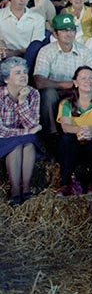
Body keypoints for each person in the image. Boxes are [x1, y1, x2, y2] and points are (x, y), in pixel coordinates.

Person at [34, 13, 92, 140]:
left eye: (72, 30)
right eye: (64, 30)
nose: (69, 34)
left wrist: (78, 86)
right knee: (48, 94)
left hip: (78, 91)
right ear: (55, 33)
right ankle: (52, 136)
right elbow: (39, 82)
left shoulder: (84, 51)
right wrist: (67, 84)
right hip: (57, 92)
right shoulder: (46, 51)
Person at [56, 65, 92, 196]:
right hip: (75, 138)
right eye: (83, 78)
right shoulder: (66, 103)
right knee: (66, 139)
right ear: (75, 82)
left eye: (91, 78)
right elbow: (65, 126)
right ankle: (65, 183)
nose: (88, 81)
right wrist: (81, 131)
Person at [0, 57, 41, 206]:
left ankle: (26, 189)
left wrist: (22, 102)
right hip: (3, 139)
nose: (23, 75)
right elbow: (1, 131)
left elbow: (32, 124)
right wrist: (27, 132)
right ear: (6, 79)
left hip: (24, 138)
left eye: (24, 72)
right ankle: (15, 191)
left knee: (29, 143)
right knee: (16, 145)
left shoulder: (33, 94)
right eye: (17, 73)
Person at [0, 0, 45, 67]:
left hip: (28, 59)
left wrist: (14, 53)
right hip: (4, 57)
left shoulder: (37, 18)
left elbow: (35, 47)